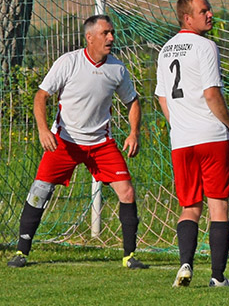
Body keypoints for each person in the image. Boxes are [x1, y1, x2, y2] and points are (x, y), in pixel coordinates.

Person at [7, 15, 147, 270]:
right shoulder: (69, 62)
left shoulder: (117, 68)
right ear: (89, 37)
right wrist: (42, 130)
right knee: (39, 193)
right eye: (105, 33)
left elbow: (133, 101)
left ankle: (129, 256)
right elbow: (41, 96)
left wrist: (133, 133)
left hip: (102, 144)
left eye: (112, 33)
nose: (111, 38)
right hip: (65, 141)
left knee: (126, 192)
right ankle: (21, 251)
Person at [155, 0, 229, 288]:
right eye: (204, 11)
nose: (211, 14)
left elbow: (162, 98)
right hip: (211, 137)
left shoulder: (165, 49)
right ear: (187, 18)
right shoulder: (206, 46)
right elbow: (212, 93)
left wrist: (179, 123)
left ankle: (185, 264)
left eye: (210, 9)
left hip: (182, 140)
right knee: (218, 205)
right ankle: (217, 277)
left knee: (189, 206)